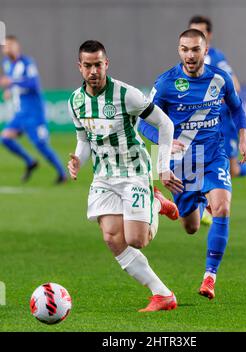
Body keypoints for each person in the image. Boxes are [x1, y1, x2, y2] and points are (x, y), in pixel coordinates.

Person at [67, 40, 183, 312]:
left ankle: (156, 202)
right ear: (80, 67)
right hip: (104, 176)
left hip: (134, 172)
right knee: (111, 237)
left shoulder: (126, 95)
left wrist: (162, 167)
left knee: (136, 240)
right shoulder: (75, 101)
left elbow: (165, 123)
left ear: (106, 64)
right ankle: (162, 294)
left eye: (98, 64)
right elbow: (84, 141)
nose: (93, 70)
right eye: (88, 65)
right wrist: (77, 161)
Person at [138, 29, 246, 299]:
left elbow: (236, 107)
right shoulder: (166, 83)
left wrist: (243, 137)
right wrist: (166, 144)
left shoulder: (220, 78)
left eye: (195, 49)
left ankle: (209, 278)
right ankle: (167, 204)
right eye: (185, 49)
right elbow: (143, 121)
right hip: (183, 163)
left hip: (214, 155)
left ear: (204, 51)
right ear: (179, 51)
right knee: (190, 227)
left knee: (223, 207)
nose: (190, 55)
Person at [189, 15, 246, 188]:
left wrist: (215, 99)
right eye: (193, 30)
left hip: (222, 120)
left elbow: (235, 85)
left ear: (209, 35)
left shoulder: (216, 57)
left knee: (232, 170)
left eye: (201, 31)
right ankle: (203, 209)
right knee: (194, 166)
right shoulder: (189, 57)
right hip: (199, 123)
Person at [0, 35, 67, 183]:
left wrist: (12, 82)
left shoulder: (27, 63)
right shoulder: (6, 64)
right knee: (4, 138)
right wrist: (9, 89)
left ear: (17, 47)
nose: (7, 48)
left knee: (40, 145)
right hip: (20, 113)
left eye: (10, 45)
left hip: (34, 113)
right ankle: (30, 162)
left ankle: (62, 174)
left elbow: (33, 83)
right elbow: (14, 84)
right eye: (5, 46)